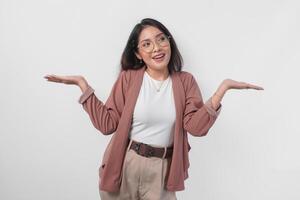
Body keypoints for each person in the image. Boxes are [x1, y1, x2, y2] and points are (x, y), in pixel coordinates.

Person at [44, 18, 264, 200]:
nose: (156, 48)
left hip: (163, 169)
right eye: (147, 44)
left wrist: (221, 91)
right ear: (138, 53)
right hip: (125, 164)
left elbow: (195, 128)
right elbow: (107, 124)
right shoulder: (129, 79)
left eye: (161, 39)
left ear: (170, 42)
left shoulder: (185, 82)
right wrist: (83, 86)